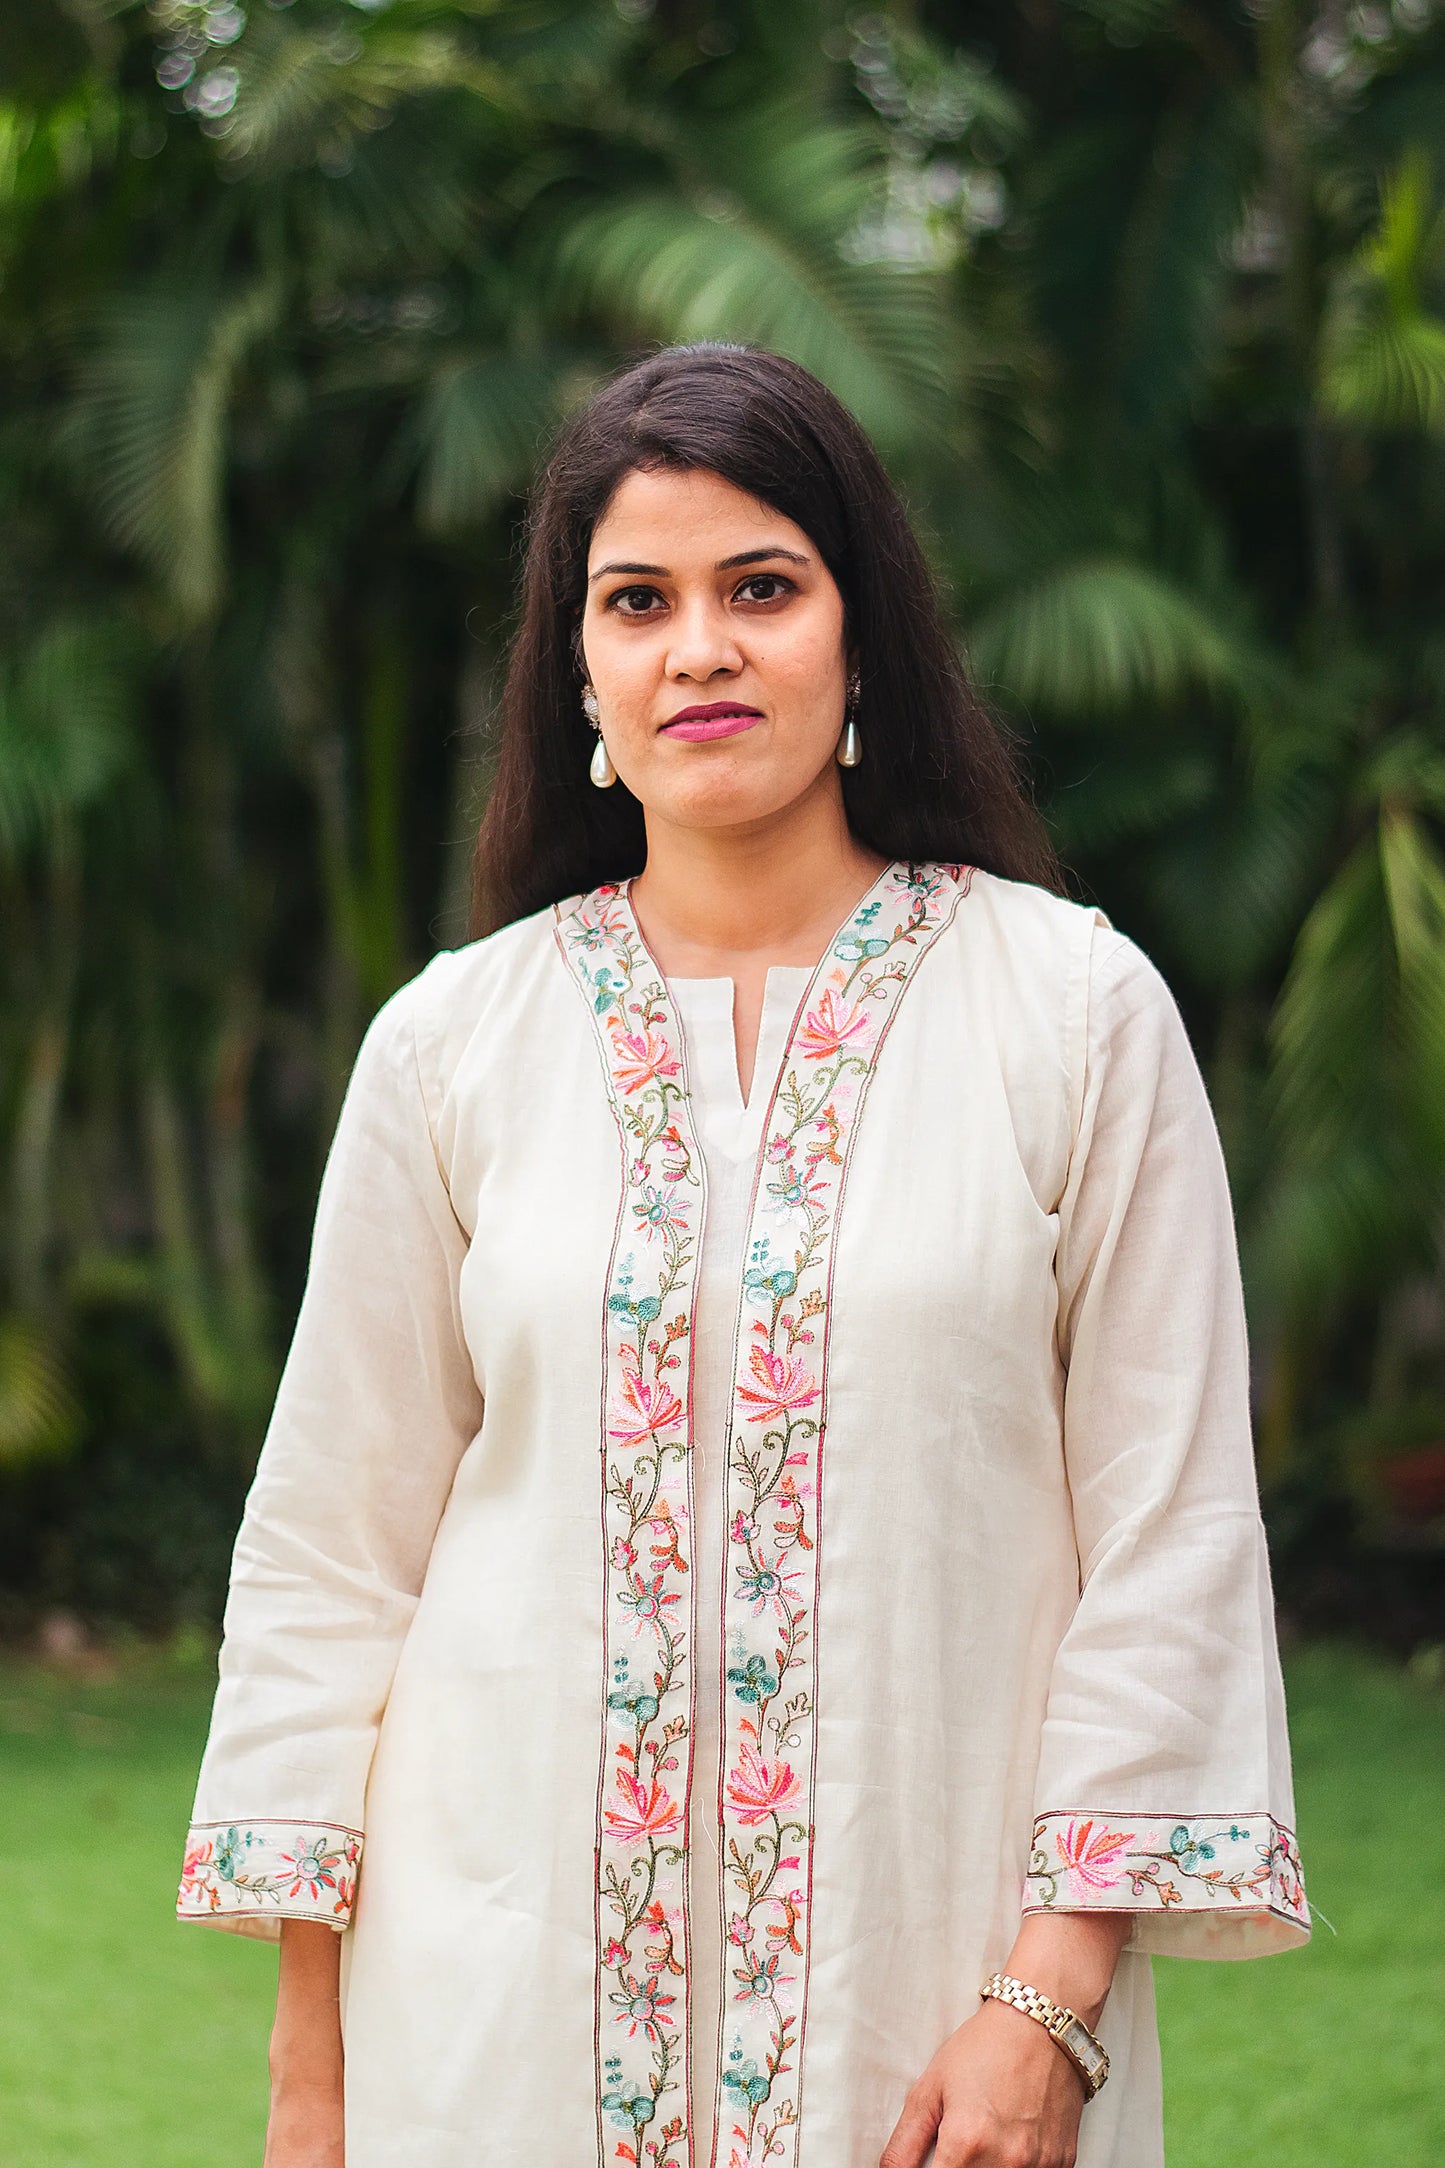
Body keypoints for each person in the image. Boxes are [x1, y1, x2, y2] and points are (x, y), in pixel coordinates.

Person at [177, 343, 1310, 2168]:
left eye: (760, 588)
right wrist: (315, 2091)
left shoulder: (1069, 1011)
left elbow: (1169, 1532)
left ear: (862, 640)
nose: (698, 647)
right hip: (484, 2036)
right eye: (638, 602)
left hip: (932, 2024)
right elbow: (329, 1562)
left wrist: (1046, 2006)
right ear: (582, 676)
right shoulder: (456, 1045)